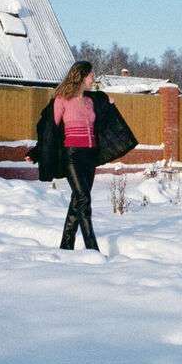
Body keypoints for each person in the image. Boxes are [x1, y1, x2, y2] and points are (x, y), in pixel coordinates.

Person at [25, 61, 138, 252]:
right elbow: (49, 130)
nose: (93, 78)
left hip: (90, 155)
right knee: (84, 199)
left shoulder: (91, 100)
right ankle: (92, 249)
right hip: (72, 156)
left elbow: (102, 110)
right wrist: (36, 152)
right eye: (91, 75)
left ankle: (66, 246)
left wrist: (108, 103)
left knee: (78, 200)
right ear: (82, 76)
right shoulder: (62, 99)